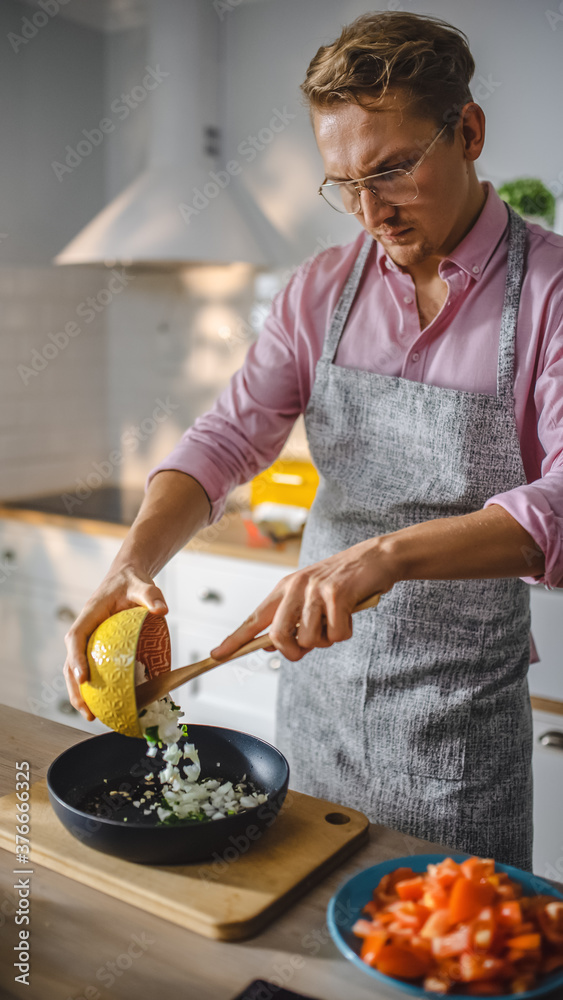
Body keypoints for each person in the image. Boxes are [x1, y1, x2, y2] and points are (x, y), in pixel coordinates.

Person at [64, 11, 563, 872]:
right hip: (316, 698)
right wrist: (128, 562)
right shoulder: (320, 290)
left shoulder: (550, 295)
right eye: (344, 184)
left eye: (393, 170)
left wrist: (385, 557)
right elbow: (225, 438)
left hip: (458, 729)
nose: (371, 213)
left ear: (468, 132)